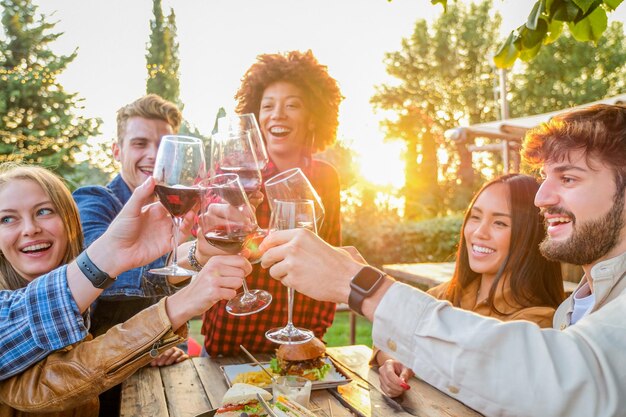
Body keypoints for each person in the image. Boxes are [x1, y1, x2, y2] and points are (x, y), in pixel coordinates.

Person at [258, 104, 626, 417]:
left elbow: (555, 374)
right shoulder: (578, 307)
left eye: (569, 178)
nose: (541, 197)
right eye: (544, 177)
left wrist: (360, 284)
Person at [0, 164, 249, 415]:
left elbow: (106, 337)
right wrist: (179, 305)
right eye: (7, 218)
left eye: (44, 211)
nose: (30, 228)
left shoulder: (87, 299)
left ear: (70, 222)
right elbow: (42, 386)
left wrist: (198, 252)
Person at [198, 50, 343, 356]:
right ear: (256, 116)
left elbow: (331, 253)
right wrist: (229, 217)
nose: (278, 114)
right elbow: (212, 216)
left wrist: (316, 331)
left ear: (313, 116)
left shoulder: (326, 178)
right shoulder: (236, 170)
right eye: (268, 106)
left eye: (292, 105)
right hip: (231, 334)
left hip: (298, 335)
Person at [375, 173, 564, 397]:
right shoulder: (446, 293)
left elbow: (474, 374)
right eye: (475, 217)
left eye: (500, 223)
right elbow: (387, 338)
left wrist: (414, 354)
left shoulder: (537, 321)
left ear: (531, 236)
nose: (478, 232)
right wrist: (393, 363)